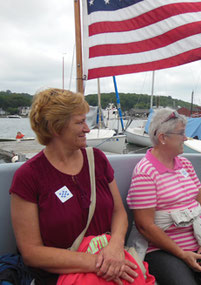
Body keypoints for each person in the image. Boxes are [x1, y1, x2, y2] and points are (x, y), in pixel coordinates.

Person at [9, 88, 140, 285]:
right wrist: (99, 261)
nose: (87, 128)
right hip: (62, 276)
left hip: (110, 264)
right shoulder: (29, 176)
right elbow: (31, 253)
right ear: (55, 128)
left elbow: (119, 213)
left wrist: (115, 246)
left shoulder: (98, 159)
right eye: (80, 122)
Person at [127, 108, 201, 285]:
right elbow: (145, 226)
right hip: (160, 249)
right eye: (181, 134)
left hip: (199, 240)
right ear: (163, 138)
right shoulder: (145, 173)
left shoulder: (185, 164)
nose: (186, 138)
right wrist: (182, 254)